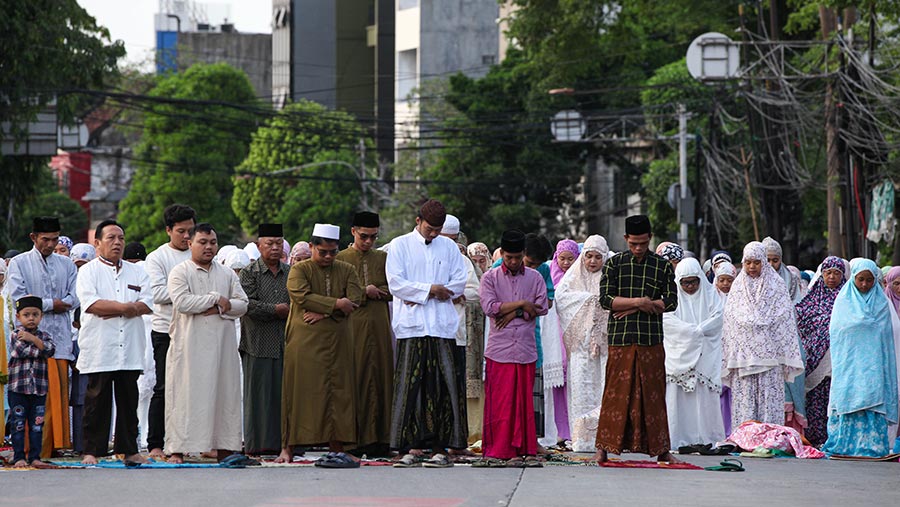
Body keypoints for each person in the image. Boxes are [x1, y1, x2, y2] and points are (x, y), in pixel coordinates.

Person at [386, 200, 469, 467]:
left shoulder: (449, 247)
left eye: (437, 229)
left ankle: (440, 446)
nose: (434, 234)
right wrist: (432, 290)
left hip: (442, 327)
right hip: (412, 327)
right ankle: (404, 446)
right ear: (418, 220)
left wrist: (422, 292)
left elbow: (459, 282)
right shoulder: (399, 245)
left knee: (443, 386)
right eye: (430, 228)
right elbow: (397, 284)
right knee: (409, 386)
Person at [277, 223, 363, 468]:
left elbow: (355, 299)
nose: (327, 257)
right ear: (312, 246)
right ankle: (288, 447)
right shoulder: (299, 270)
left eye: (332, 252)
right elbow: (300, 296)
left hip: (338, 340)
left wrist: (325, 312)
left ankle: (339, 448)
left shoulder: (346, 269)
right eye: (322, 251)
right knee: (299, 392)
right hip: (305, 342)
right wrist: (337, 304)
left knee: (339, 393)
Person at [594, 215, 679, 463]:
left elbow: (671, 301)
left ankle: (662, 449)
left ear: (650, 238)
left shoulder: (661, 266)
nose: (638, 248)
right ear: (625, 240)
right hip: (620, 339)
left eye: (642, 243)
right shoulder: (615, 264)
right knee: (615, 394)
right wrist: (639, 302)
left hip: (651, 339)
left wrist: (640, 306)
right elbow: (606, 300)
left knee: (653, 393)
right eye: (633, 244)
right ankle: (603, 446)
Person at [165, 223, 248, 464]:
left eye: (213, 242)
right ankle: (177, 450)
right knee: (184, 395)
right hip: (190, 348)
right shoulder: (180, 272)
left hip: (222, 348)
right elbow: (182, 302)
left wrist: (223, 308)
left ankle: (224, 447)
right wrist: (216, 299)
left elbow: (243, 304)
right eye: (203, 242)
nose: (209, 247)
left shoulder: (227, 274)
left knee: (224, 395)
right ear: (190, 244)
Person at [75, 220, 153, 465]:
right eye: (111, 238)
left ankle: (129, 450)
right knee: (96, 402)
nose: (117, 242)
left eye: (121, 238)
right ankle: (92, 451)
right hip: (100, 346)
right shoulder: (88, 271)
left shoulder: (138, 272)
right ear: (97, 243)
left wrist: (114, 309)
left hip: (130, 346)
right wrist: (127, 308)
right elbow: (92, 304)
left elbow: (147, 303)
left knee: (129, 401)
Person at [6, 216, 78, 459]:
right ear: (33, 238)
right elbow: (19, 297)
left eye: (54, 239)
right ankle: (28, 452)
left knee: (56, 398)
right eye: (45, 239)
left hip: (60, 338)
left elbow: (74, 298)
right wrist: (52, 304)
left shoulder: (66, 264)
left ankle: (53, 447)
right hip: (29, 342)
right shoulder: (19, 263)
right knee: (30, 400)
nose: (50, 244)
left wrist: (50, 304)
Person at [478, 230, 548, 466]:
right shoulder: (490, 277)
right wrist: (522, 304)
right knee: (502, 402)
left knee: (523, 403)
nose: (514, 262)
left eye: (518, 257)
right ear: (503, 254)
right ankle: (500, 451)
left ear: (523, 254)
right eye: (509, 258)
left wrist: (512, 311)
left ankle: (524, 450)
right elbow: (489, 307)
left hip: (525, 349)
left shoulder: (535, 277)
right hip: (500, 350)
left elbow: (542, 307)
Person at [721, 241, 804, 428]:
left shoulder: (776, 285)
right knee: (745, 401)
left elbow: (784, 317)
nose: (751, 267)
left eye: (756, 262)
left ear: (763, 263)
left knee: (769, 400)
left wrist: (759, 323)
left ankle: (768, 438)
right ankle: (745, 438)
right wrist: (751, 324)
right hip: (744, 359)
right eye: (748, 262)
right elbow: (731, 318)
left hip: (770, 360)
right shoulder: (737, 288)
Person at [822, 259, 898, 457]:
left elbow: (885, 340)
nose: (864, 284)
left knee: (873, 402)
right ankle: (843, 446)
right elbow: (838, 333)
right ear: (853, 278)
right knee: (848, 400)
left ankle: (872, 447)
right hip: (849, 365)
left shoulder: (881, 303)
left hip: (873, 367)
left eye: (869, 280)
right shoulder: (843, 301)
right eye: (860, 279)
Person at [334, 212, 394, 456]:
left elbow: (397, 288)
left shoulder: (384, 258)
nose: (369, 242)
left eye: (374, 237)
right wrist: (361, 290)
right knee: (354, 377)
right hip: (353, 325)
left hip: (379, 325)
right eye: (364, 236)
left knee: (381, 376)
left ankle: (383, 440)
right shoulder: (340, 258)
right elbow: (336, 292)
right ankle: (353, 441)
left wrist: (377, 291)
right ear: (353, 232)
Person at [143, 204, 195, 460]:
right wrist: (193, 294)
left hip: (195, 331)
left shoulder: (200, 253)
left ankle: (189, 441)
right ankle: (156, 443)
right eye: (181, 232)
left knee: (192, 388)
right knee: (164, 387)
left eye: (190, 231)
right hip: (165, 331)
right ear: (168, 230)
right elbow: (157, 294)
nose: (187, 237)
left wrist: (189, 294)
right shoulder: (157, 258)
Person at [237, 224, 291, 456]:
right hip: (257, 342)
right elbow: (247, 304)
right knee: (257, 397)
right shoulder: (250, 272)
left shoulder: (291, 272)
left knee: (283, 396)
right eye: (269, 243)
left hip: (286, 343)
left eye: (279, 243)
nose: (275, 247)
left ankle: (283, 444)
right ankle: (256, 445)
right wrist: (275, 310)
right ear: (259, 246)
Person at [555, 235, 610, 453]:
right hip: (580, 347)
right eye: (589, 256)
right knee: (580, 391)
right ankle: (582, 440)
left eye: (598, 257)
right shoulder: (572, 277)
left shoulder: (609, 277)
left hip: (604, 346)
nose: (593, 262)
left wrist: (598, 301)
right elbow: (562, 299)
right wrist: (591, 300)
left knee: (604, 389)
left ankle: (605, 441)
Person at [662, 258, 726, 449]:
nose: (690, 286)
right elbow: (667, 321)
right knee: (678, 401)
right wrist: (693, 332)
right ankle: (678, 439)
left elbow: (718, 318)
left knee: (704, 397)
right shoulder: (671, 299)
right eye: (685, 282)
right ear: (678, 282)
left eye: (694, 281)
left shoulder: (711, 295)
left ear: (700, 278)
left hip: (705, 357)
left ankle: (706, 439)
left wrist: (698, 331)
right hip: (678, 357)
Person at [796, 256, 847, 447]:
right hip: (813, 364)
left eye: (836, 273)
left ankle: (832, 438)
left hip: (837, 363)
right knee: (814, 401)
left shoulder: (847, 299)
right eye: (828, 273)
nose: (832, 277)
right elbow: (800, 321)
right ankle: (812, 438)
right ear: (822, 274)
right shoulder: (810, 300)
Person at [7, 295, 56, 468]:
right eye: (26, 315)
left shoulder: (45, 335)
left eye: (35, 314)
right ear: (18, 316)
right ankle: (19, 456)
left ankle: (35, 456)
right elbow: (23, 351)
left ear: (41, 317)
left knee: (37, 425)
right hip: (18, 389)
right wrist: (39, 348)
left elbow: (50, 350)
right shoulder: (15, 334)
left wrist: (34, 339)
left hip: (39, 389)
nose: (31, 318)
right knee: (18, 424)